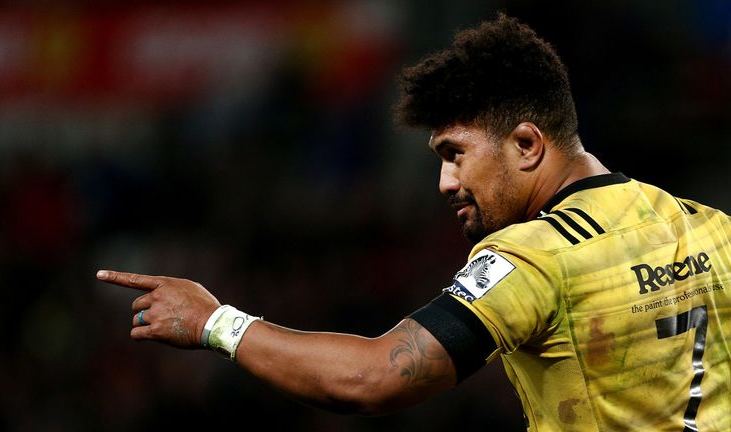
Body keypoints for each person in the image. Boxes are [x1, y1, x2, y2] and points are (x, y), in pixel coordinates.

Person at [97, 14, 730, 431]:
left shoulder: (534, 255)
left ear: (527, 145)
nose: (445, 183)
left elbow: (375, 377)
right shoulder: (708, 226)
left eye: (455, 154)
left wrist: (217, 323)